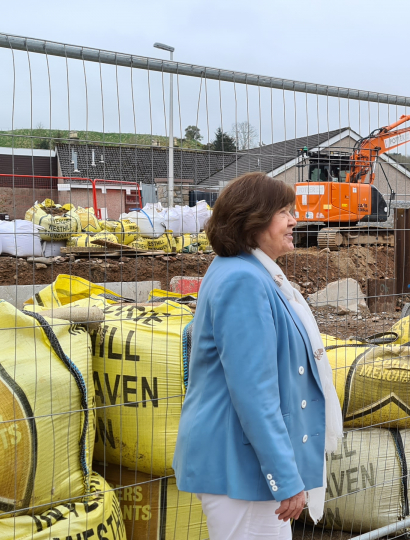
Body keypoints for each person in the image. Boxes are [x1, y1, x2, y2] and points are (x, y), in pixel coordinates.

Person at [173, 172, 343, 540]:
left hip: (243, 460)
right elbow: (254, 393)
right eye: (284, 211)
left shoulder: (249, 273)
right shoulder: (244, 281)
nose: (295, 220)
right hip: (239, 466)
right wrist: (285, 477)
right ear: (253, 220)